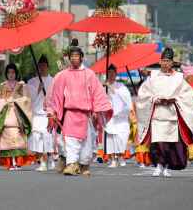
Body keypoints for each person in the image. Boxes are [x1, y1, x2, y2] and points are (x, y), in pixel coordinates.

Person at [47, 39, 111, 176]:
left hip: (85, 115)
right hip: (69, 114)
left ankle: (83, 165)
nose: (74, 58)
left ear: (82, 57)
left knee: (87, 144)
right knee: (70, 141)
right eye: (72, 56)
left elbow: (98, 94)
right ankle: (71, 164)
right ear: (69, 58)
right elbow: (56, 95)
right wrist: (52, 111)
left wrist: (97, 110)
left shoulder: (89, 74)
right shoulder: (63, 75)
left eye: (77, 56)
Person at [136, 47, 193, 178]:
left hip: (171, 116)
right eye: (163, 60)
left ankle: (167, 166)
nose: (165, 63)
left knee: (169, 145)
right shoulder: (152, 77)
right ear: (159, 62)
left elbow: (188, 95)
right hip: (157, 115)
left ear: (172, 63)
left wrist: (175, 99)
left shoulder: (179, 78)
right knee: (157, 144)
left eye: (168, 61)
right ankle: (158, 165)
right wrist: (154, 99)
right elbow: (143, 94)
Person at [0, 63, 33, 170]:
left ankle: (18, 162)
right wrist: (3, 102)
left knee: (19, 139)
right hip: (6, 114)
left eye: (13, 72)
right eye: (9, 72)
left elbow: (27, 100)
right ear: (6, 74)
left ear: (16, 73)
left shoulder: (22, 86)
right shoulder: (1, 87)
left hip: (18, 115)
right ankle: (10, 163)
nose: (11, 74)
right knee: (6, 139)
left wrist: (17, 101)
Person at [27, 55, 55, 172]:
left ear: (47, 67)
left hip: (47, 114)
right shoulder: (32, 81)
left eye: (44, 66)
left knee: (46, 137)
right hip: (36, 114)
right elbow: (29, 98)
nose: (42, 68)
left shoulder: (53, 81)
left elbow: (56, 98)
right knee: (36, 137)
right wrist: (38, 89)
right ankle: (42, 161)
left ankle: (48, 158)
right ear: (37, 67)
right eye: (40, 66)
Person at [104, 64, 132, 168]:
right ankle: (113, 158)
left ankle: (120, 155)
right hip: (109, 116)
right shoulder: (104, 86)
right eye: (109, 73)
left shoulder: (121, 86)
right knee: (111, 137)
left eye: (113, 73)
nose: (111, 75)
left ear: (116, 74)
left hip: (121, 116)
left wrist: (112, 89)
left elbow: (126, 99)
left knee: (121, 137)